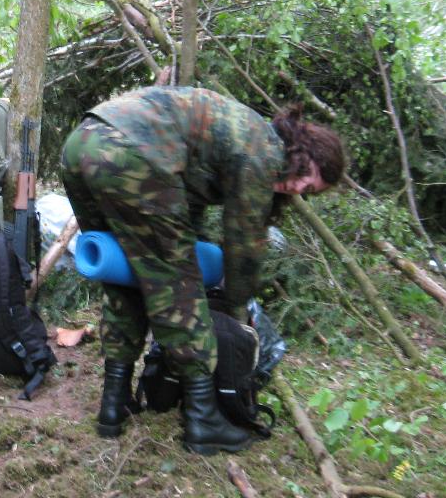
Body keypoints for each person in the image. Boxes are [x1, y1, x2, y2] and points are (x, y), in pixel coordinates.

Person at [60, 86, 346, 453]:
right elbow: (243, 247)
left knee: (126, 276)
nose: (298, 189)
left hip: (83, 144)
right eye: (307, 179)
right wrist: (237, 310)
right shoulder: (264, 150)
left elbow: (186, 208)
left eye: (308, 191)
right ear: (305, 152)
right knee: (177, 285)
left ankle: (113, 406)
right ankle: (203, 420)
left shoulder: (241, 132)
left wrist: (187, 249)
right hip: (131, 152)